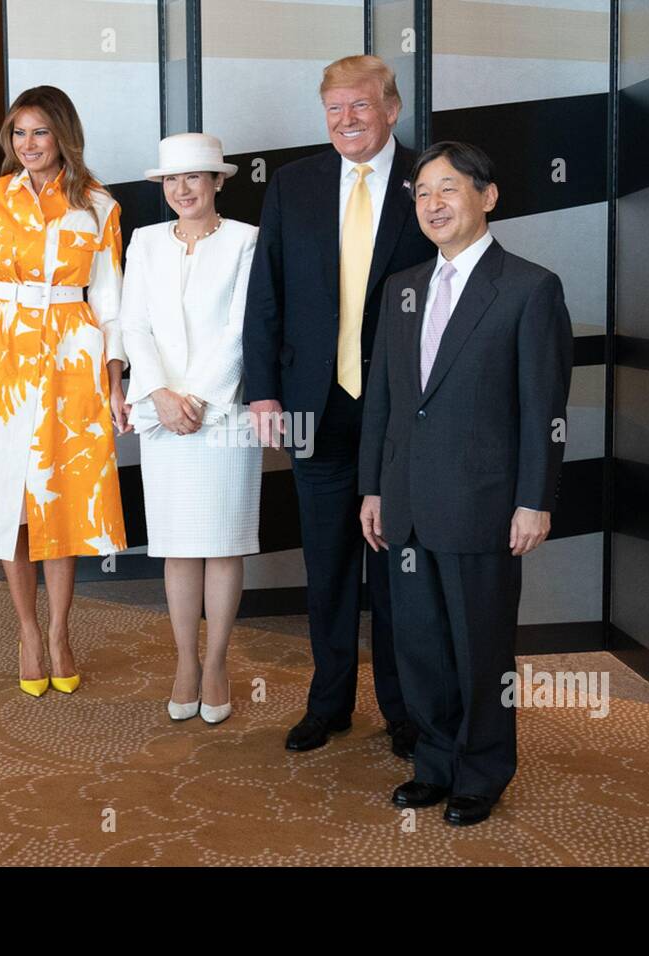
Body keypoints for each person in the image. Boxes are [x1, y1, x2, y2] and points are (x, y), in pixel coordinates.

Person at [359, 141, 573, 826]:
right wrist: (372, 488)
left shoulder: (530, 288)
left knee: (481, 650)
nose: (433, 204)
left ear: (487, 195)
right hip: (407, 501)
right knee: (417, 643)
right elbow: (386, 402)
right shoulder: (403, 288)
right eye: (421, 193)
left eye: (447, 189)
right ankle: (435, 763)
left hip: (483, 503)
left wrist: (534, 499)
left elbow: (545, 408)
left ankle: (482, 771)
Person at [242, 55, 433, 757]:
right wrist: (262, 391)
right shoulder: (295, 185)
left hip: (399, 415)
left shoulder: (429, 182)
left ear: (391, 108)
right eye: (333, 109)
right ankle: (329, 704)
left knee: (393, 573)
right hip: (311, 406)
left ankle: (403, 710)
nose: (345, 121)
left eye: (359, 106)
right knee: (325, 567)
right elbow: (266, 295)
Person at [0, 86, 129, 698]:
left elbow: (111, 301)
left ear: (63, 135)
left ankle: (62, 632)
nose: (28, 145)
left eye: (40, 133)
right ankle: (26, 630)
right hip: (0, 357)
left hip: (73, 355)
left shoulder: (99, 205)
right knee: (11, 505)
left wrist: (116, 379)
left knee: (63, 499)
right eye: (18, 134)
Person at [119, 133, 260, 726]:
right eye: (172, 181)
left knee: (223, 543)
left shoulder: (248, 241)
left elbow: (240, 328)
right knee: (177, 545)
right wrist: (160, 395)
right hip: (161, 415)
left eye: (195, 178)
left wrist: (197, 397)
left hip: (221, 415)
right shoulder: (145, 242)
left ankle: (217, 664)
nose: (182, 190)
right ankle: (183, 662)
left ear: (219, 182)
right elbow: (134, 323)